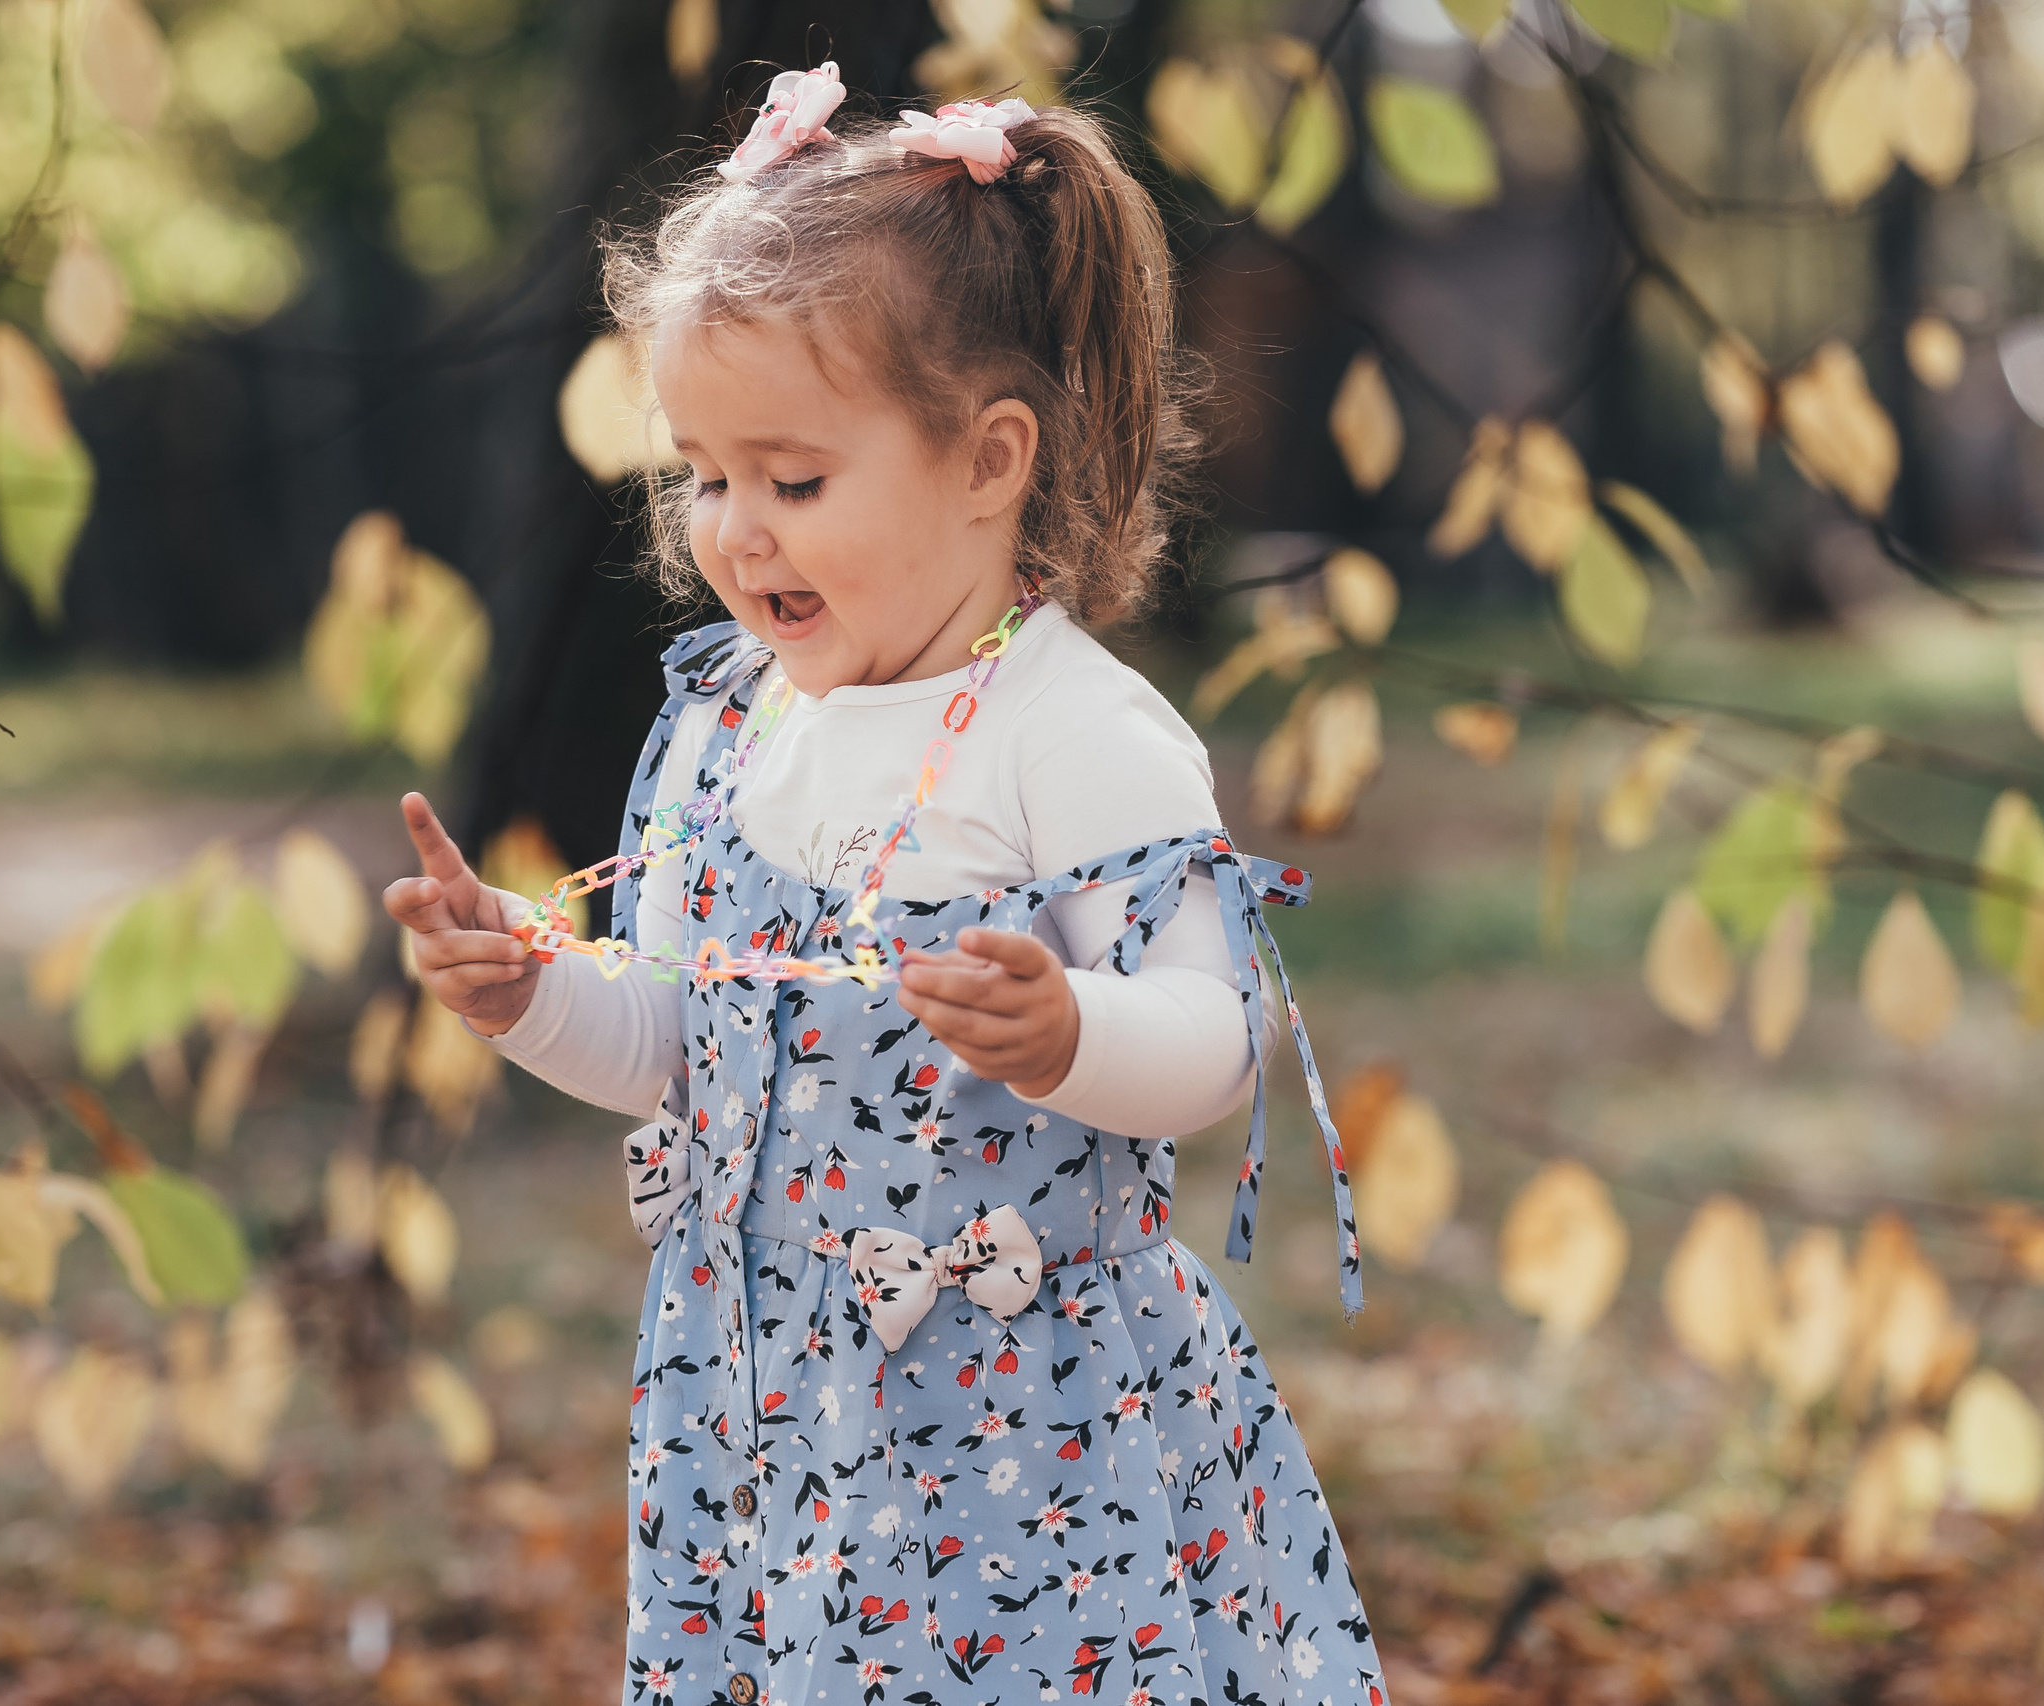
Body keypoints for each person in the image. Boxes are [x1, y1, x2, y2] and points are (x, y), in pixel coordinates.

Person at [384, 66, 1385, 1706]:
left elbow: (1216, 1040)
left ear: (990, 460)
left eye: (794, 481)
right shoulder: (731, 721)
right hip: (765, 1408)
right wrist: (536, 992)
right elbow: (679, 1042)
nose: (738, 533)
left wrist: (1070, 1033)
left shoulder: (1074, 733)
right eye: (705, 476)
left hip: (1027, 1430)